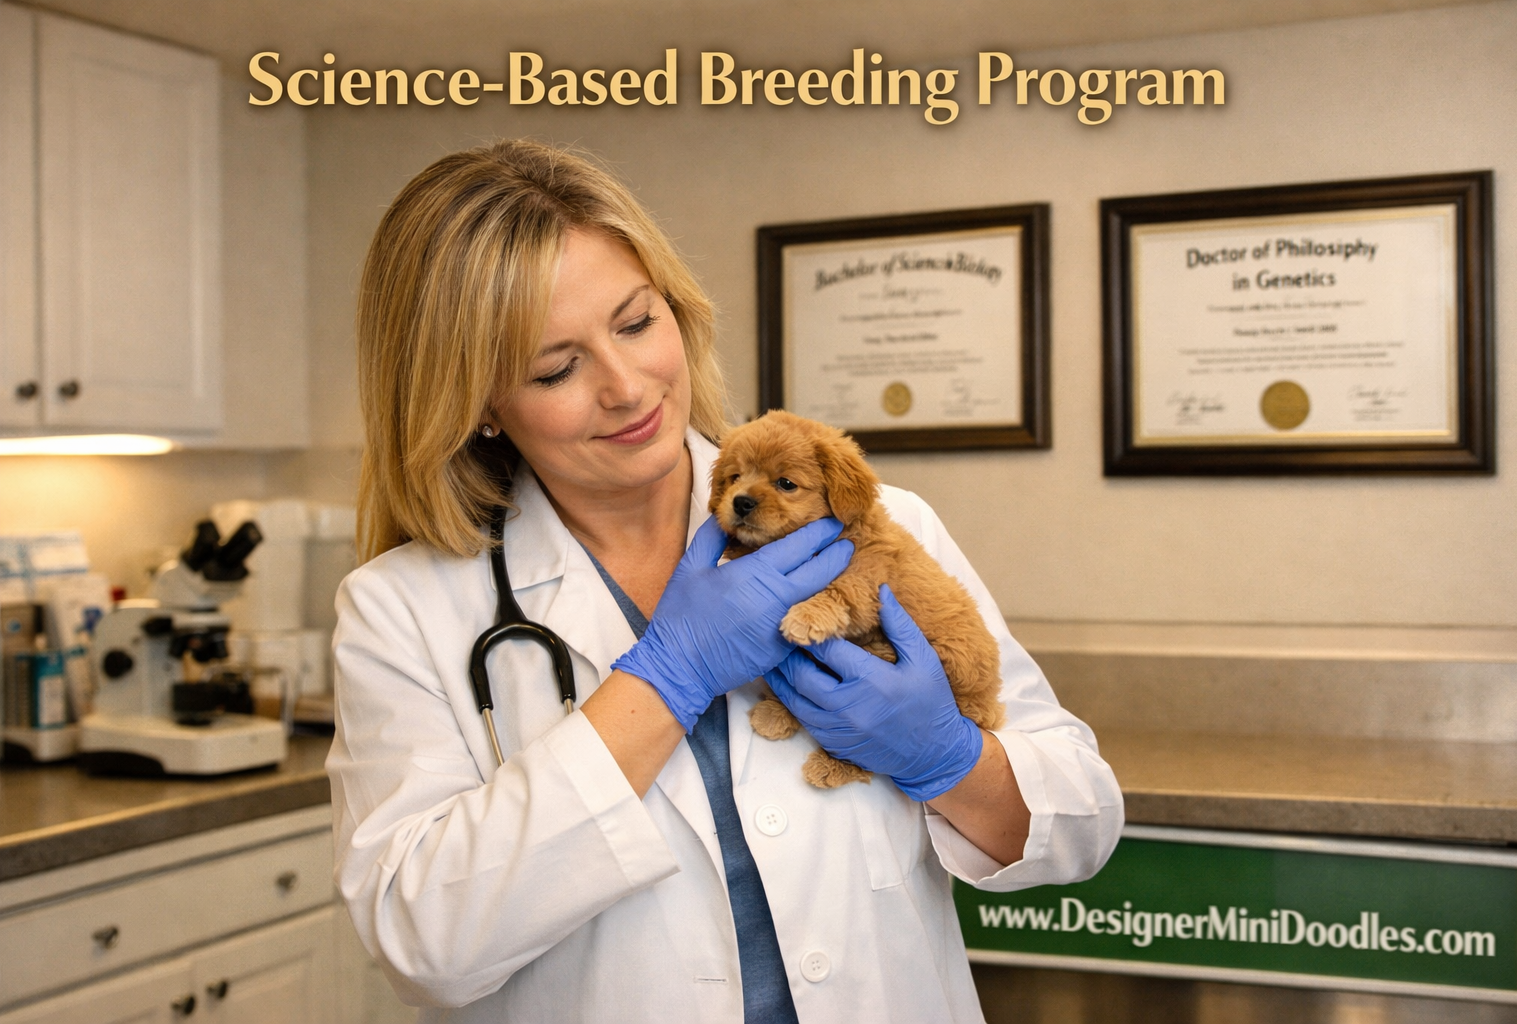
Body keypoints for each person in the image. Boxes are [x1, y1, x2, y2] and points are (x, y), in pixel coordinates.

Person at [328, 139, 1123, 1024]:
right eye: (555, 368)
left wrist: (945, 756)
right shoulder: (403, 609)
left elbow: (1080, 824)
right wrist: (668, 676)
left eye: (636, 324)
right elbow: (423, 944)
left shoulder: (877, 528)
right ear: (473, 402)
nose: (628, 388)